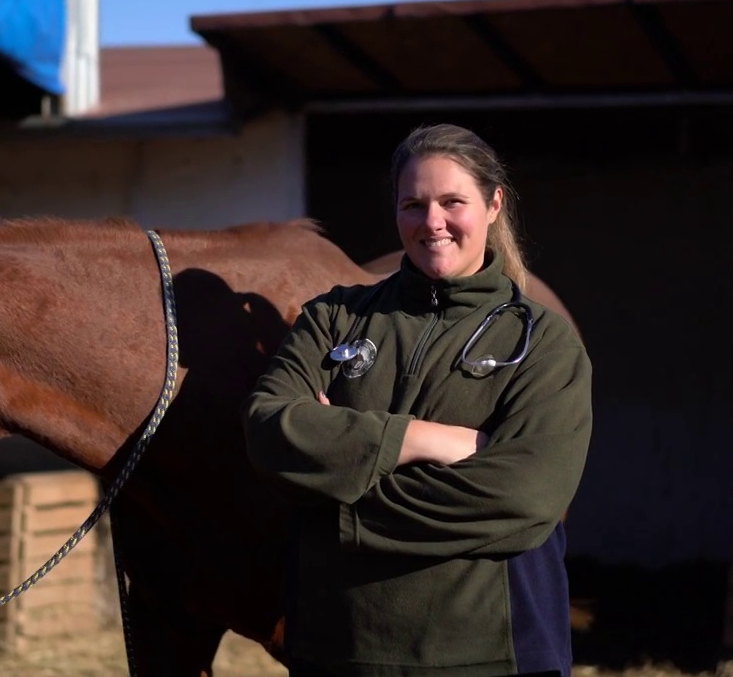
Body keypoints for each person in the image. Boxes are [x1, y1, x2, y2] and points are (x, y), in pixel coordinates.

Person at [242, 123, 593, 677]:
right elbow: (268, 431)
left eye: (453, 201)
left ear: (494, 204)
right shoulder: (335, 317)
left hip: (487, 654)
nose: (433, 222)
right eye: (414, 204)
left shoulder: (542, 344)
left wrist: (337, 495)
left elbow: (525, 494)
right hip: (336, 649)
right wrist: (421, 439)